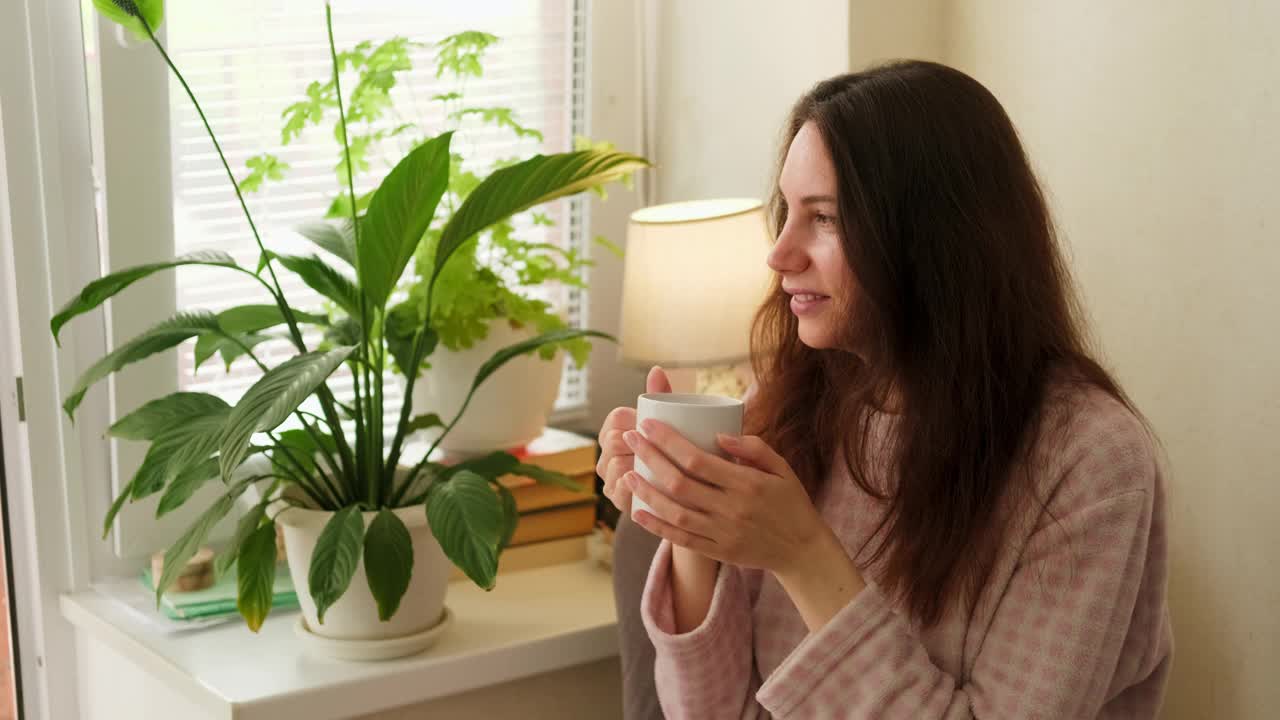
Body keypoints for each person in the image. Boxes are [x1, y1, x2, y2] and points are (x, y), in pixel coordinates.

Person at [597, 61, 1172, 719]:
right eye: (786, 212)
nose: (780, 255)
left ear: (932, 240)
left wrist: (804, 555)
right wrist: (691, 526)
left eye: (826, 218)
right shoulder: (789, 407)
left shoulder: (1088, 460)